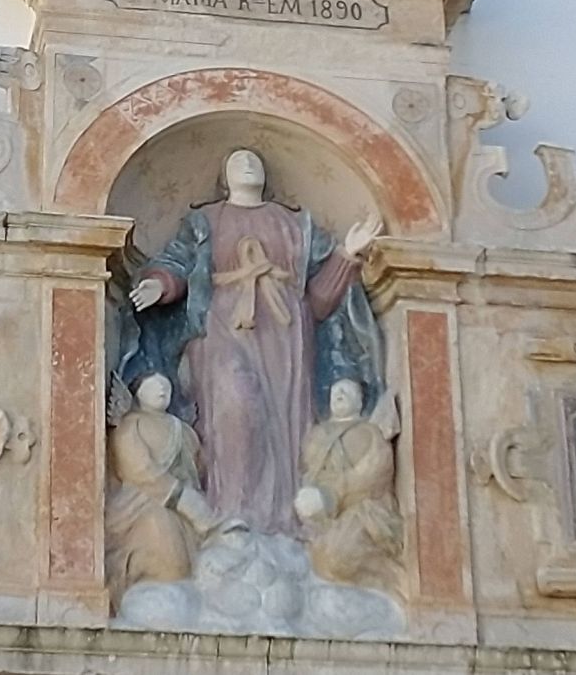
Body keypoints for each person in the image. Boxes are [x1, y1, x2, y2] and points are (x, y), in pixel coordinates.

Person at [125, 148, 383, 536]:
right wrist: (159, 284)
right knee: (236, 400)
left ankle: (282, 520)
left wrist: (348, 254)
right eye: (237, 160)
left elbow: (319, 300)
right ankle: (230, 508)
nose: (247, 164)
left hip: (286, 333)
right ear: (224, 178)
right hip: (221, 328)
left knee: (282, 420)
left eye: (253, 159)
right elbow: (178, 261)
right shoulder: (204, 220)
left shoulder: (297, 224)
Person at [105, 372, 217, 610]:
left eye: (165, 385)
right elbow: (137, 469)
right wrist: (180, 498)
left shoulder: (183, 430)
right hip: (140, 504)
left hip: (186, 505)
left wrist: (193, 500)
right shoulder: (131, 426)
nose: (162, 390)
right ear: (138, 392)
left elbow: (197, 466)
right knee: (162, 533)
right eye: (153, 385)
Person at [294, 378, 405, 603]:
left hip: (363, 509)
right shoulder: (316, 435)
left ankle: (398, 583)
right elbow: (308, 471)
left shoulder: (370, 433)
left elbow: (374, 473)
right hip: (320, 514)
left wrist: (331, 495)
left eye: (347, 390)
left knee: (339, 555)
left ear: (360, 401)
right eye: (336, 390)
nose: (340, 393)